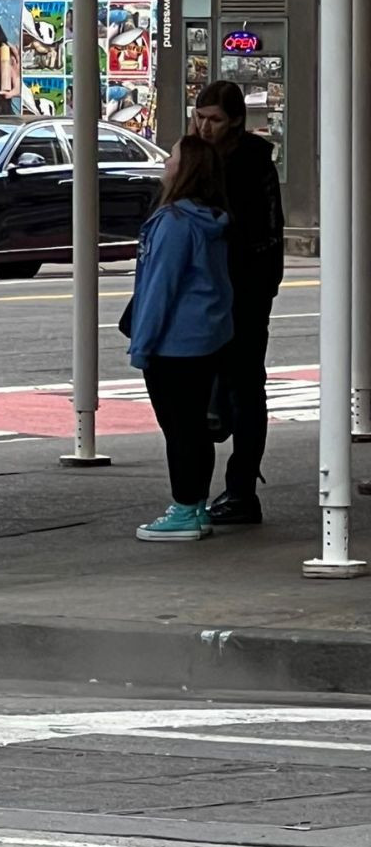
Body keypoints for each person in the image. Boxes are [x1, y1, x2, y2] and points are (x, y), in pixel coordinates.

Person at [125, 134, 234, 542]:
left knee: (179, 429)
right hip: (205, 339)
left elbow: (158, 289)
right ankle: (197, 505)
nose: (166, 163)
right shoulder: (212, 220)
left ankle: (185, 508)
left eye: (171, 157)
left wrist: (142, 345)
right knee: (194, 427)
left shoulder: (173, 223)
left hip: (173, 344)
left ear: (184, 170)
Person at [193, 80, 285, 526]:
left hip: (241, 288)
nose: (205, 127)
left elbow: (253, 232)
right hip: (229, 286)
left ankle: (241, 487)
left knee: (245, 386)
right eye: (200, 117)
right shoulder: (210, 156)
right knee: (233, 385)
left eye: (214, 119)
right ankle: (232, 483)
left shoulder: (247, 164)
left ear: (233, 121)